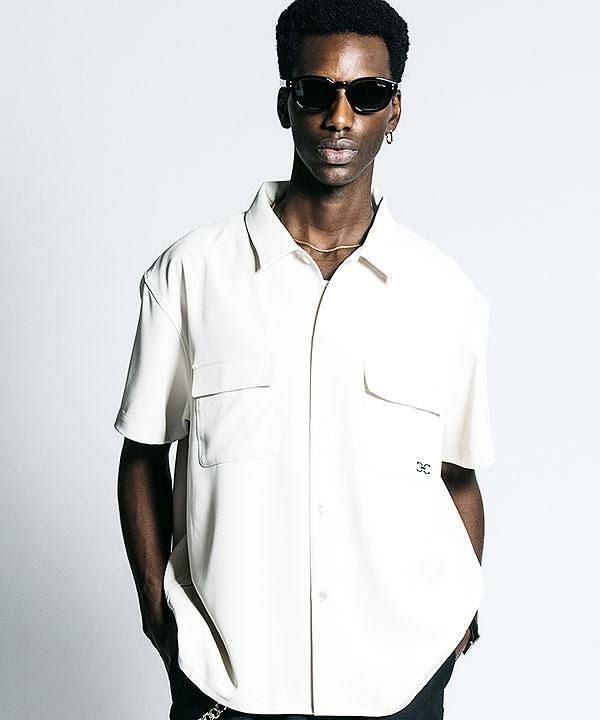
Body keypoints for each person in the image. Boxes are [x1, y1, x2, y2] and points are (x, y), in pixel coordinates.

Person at [114, 1, 496, 719]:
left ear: (394, 110)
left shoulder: (445, 294)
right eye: (317, 92)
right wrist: (161, 621)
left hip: (399, 684)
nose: (339, 118)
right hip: (230, 681)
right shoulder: (190, 276)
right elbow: (142, 457)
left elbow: (459, 476)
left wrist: (453, 631)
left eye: (367, 94)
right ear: (285, 104)